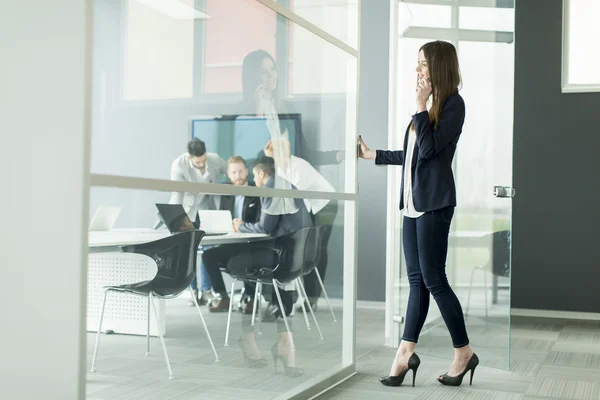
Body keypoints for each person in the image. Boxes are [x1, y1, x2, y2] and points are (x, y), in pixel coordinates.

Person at [359, 41, 478, 388]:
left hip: (435, 204)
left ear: (439, 66)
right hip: (413, 204)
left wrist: (418, 106)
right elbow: (413, 154)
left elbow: (428, 148)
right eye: (417, 64)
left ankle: (463, 353)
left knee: (434, 280)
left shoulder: (453, 104)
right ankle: (404, 353)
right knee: (417, 281)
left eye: (423, 64)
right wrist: (373, 155)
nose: (417, 70)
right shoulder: (429, 108)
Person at [203, 159, 311, 372]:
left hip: (278, 256)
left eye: (253, 175)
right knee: (237, 261)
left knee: (237, 264)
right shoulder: (288, 185)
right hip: (295, 255)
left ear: (261, 173)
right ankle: (281, 343)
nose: (253, 180)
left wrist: (241, 226)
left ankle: (249, 337)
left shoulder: (270, 190)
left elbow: (265, 227)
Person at [263, 138, 337, 310]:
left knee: (315, 250)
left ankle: (311, 299)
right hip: (311, 207)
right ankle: (303, 297)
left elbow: (295, 197)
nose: (270, 162)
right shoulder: (281, 168)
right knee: (304, 249)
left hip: (325, 207)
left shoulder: (298, 166)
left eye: (271, 157)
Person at [239, 49, 344, 166]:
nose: (271, 76)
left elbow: (303, 154)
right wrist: (259, 109)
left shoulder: (286, 107)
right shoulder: (241, 110)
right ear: (252, 76)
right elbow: (248, 154)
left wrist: (340, 155)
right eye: (263, 72)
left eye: (273, 69)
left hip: (286, 181)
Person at [169, 138, 226, 305]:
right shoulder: (178, 165)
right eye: (197, 162)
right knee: (189, 251)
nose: (201, 164)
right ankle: (193, 291)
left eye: (203, 160)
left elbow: (229, 169)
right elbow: (178, 193)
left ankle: (206, 290)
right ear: (189, 157)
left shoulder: (214, 159)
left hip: (207, 209)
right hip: (187, 210)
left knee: (208, 249)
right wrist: (177, 218)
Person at [218, 155, 262, 313]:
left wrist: (242, 227)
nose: (238, 176)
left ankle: (251, 297)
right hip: (232, 240)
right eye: (234, 172)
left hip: (250, 242)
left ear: (247, 171)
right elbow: (222, 216)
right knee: (209, 257)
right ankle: (223, 297)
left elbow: (259, 221)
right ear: (229, 175)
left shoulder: (255, 192)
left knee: (241, 261)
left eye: (240, 171)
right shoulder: (227, 194)